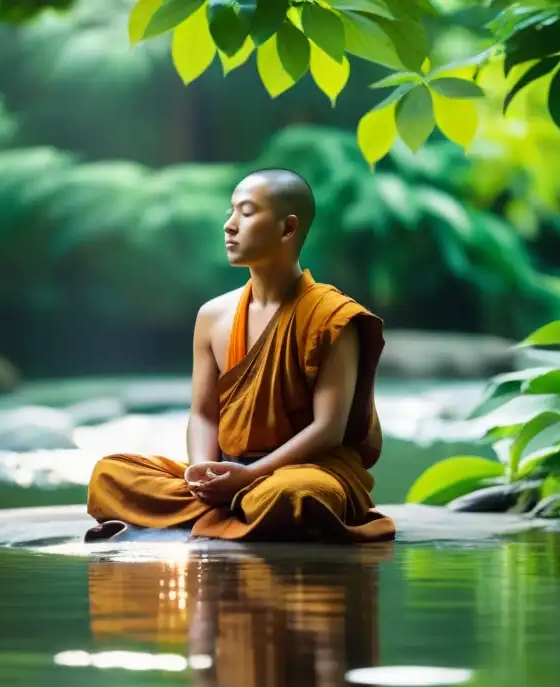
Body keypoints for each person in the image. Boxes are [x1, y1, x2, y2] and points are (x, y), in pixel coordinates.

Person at [84, 169, 395, 543]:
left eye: (246, 213)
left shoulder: (332, 316)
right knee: (110, 474)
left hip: (303, 471)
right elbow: (202, 413)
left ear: (287, 228)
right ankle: (229, 510)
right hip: (230, 470)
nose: (229, 226)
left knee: (295, 497)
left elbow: (328, 430)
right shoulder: (213, 315)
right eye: (231, 212)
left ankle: (217, 513)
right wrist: (202, 473)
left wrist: (250, 477)